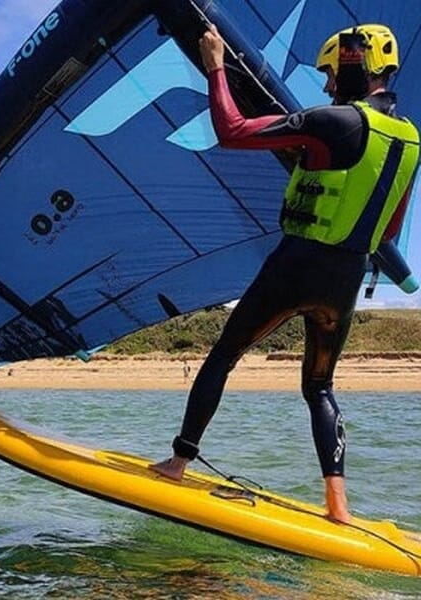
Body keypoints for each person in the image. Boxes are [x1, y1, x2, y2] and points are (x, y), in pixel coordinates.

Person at [151, 23, 419, 524]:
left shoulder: (333, 121)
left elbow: (231, 132)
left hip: (297, 265)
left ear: (353, 64)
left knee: (223, 356)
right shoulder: (410, 140)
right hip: (344, 282)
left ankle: (179, 462)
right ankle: (338, 507)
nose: (325, 85)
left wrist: (214, 66)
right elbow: (391, 228)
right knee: (319, 388)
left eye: (329, 73)